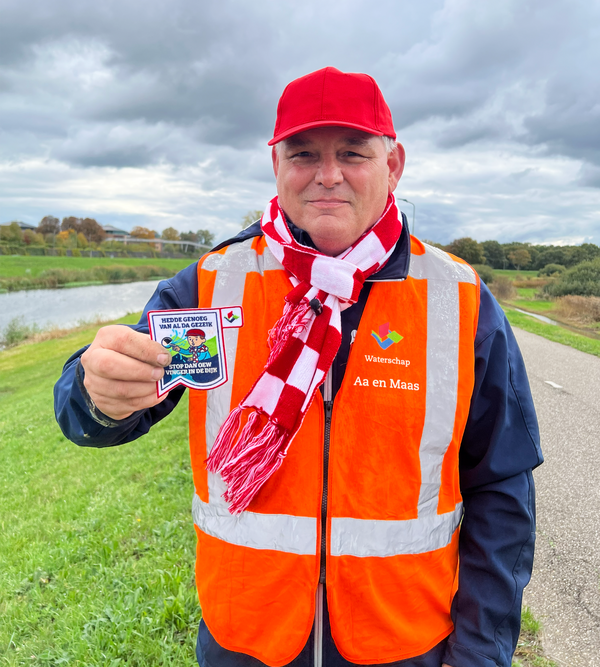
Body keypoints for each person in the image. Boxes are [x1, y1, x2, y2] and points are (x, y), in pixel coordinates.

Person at [55, 66, 542, 667]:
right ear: (278, 166)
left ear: (393, 165)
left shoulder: (457, 297)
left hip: (404, 645)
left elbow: (502, 489)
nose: (327, 174)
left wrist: (480, 653)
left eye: (353, 153)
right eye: (303, 153)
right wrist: (96, 391)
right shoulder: (217, 286)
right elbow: (113, 402)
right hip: (246, 642)